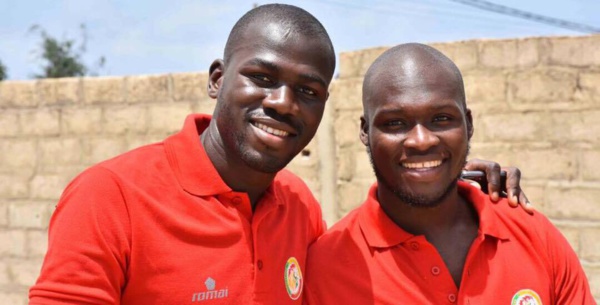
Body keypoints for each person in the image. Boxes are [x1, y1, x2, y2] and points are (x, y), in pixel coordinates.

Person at [29, 5, 531, 305]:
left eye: (308, 90)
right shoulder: (111, 197)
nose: (283, 103)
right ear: (217, 79)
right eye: (263, 79)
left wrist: (440, 184)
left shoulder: (296, 205)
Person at [304, 43, 594, 305]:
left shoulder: (532, 234)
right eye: (395, 123)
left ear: (468, 124)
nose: (422, 140)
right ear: (366, 132)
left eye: (441, 119)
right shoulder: (326, 266)